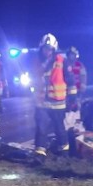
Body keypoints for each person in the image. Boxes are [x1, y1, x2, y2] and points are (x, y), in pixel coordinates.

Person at [32, 33, 70, 161]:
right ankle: (40, 154)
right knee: (41, 128)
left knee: (59, 128)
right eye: (45, 48)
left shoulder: (61, 60)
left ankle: (64, 153)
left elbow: (69, 79)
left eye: (50, 49)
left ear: (54, 49)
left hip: (57, 102)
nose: (47, 51)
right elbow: (34, 78)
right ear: (41, 49)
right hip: (41, 102)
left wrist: (73, 97)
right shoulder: (36, 61)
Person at [64, 46, 87, 156]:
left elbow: (83, 78)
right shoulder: (64, 64)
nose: (71, 57)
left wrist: (81, 93)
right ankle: (68, 146)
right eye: (70, 55)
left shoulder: (80, 66)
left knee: (76, 118)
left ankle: (76, 146)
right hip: (65, 95)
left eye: (73, 55)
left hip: (76, 94)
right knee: (67, 119)